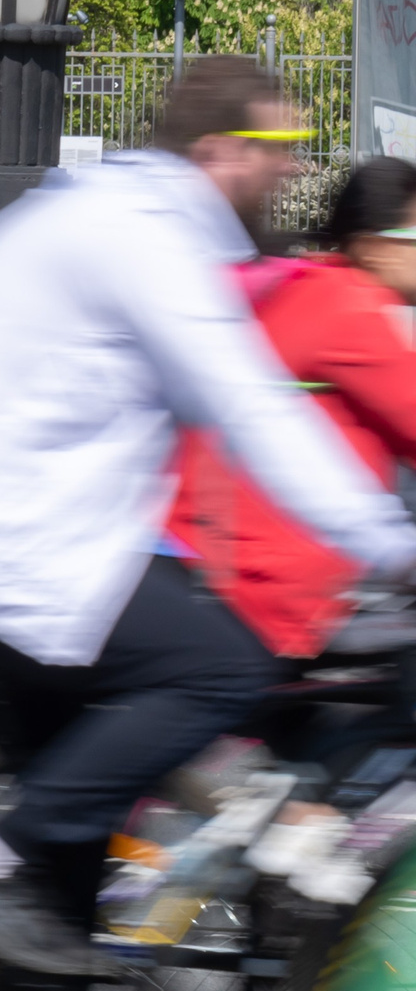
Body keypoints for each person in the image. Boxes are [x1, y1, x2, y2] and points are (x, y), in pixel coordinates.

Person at [0, 56, 416, 976]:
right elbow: (252, 408)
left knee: (72, 856)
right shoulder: (147, 236)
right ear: (223, 151)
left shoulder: (121, 213)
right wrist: (392, 546)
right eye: (285, 148)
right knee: (215, 670)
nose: (299, 170)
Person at [167, 154, 416, 660]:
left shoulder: (310, 284)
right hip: (277, 581)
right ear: (375, 248)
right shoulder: (351, 308)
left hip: (224, 560)